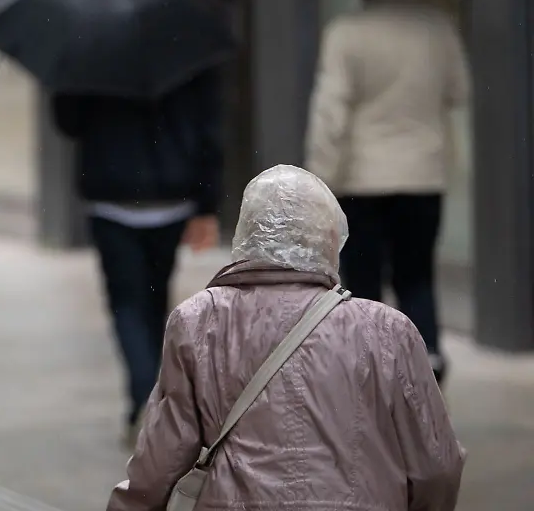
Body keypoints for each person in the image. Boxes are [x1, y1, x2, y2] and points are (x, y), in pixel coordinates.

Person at [107, 165, 464, 511]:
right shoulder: (387, 330)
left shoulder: (200, 321)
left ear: (244, 236)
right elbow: (436, 466)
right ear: (329, 240)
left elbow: (160, 458)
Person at [305, 0, 471, 384]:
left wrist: (319, 177)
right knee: (416, 274)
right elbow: (459, 90)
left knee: (363, 279)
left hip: (363, 179)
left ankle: (370, 366)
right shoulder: (438, 27)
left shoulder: (346, 33)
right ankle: (427, 357)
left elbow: (331, 112)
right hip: (422, 175)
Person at [51, 67, 224, 447]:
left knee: (127, 303)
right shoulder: (186, 52)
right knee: (153, 297)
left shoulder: (91, 49)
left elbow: (68, 121)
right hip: (171, 196)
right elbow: (209, 129)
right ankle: (152, 400)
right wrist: (207, 203)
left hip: (112, 196)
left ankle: (146, 398)